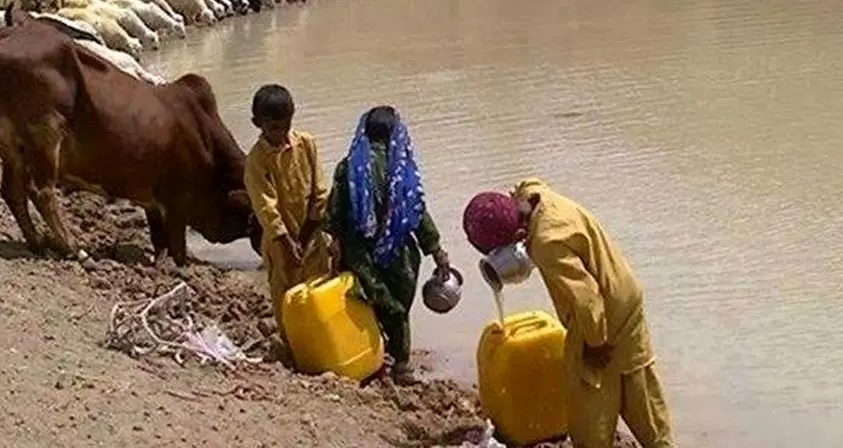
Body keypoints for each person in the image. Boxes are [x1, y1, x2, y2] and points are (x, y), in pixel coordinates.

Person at [462, 178, 674, 448]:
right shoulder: (536, 194)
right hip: (624, 293)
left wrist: (596, 345)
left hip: (603, 314)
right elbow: (527, 185)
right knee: (638, 382)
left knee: (591, 396)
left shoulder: (546, 244)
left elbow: (586, 298)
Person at [327, 105, 450, 385]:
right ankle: (401, 365)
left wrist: (335, 245)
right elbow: (416, 213)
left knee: (367, 305)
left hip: (359, 253)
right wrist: (437, 251)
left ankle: (367, 355)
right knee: (397, 309)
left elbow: (335, 213)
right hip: (397, 252)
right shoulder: (401, 167)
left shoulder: (348, 166)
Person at [243, 84, 334, 348]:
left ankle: (326, 347)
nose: (281, 134)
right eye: (273, 129)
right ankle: (297, 350)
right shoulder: (257, 161)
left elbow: (319, 191)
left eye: (286, 126)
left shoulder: (306, 144)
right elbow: (266, 208)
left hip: (312, 238)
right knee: (286, 300)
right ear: (257, 124)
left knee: (318, 294)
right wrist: (286, 241)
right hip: (279, 245)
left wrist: (306, 236)